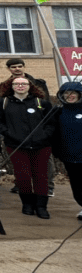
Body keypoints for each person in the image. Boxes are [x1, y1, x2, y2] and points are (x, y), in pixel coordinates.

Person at [0, 76, 56, 218]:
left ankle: (41, 206)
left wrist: (44, 136)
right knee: (23, 176)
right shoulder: (4, 102)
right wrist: (9, 134)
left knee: (41, 176)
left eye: (23, 84)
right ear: (11, 86)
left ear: (29, 86)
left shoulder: (41, 103)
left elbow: (51, 123)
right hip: (16, 145)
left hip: (41, 145)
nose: (20, 86)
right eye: (17, 84)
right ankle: (27, 204)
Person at [53, 82, 82, 220]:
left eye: (73, 93)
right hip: (69, 155)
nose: (70, 96)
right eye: (67, 93)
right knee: (77, 184)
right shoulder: (58, 112)